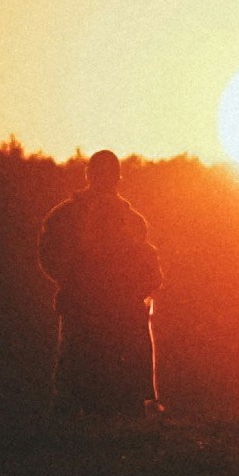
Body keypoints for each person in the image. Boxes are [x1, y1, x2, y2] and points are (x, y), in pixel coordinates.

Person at [37, 150, 160, 420]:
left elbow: (48, 254)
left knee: (81, 377)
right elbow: (149, 271)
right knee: (105, 380)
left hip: (97, 308)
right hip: (104, 309)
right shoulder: (131, 221)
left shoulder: (67, 216)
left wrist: (73, 282)